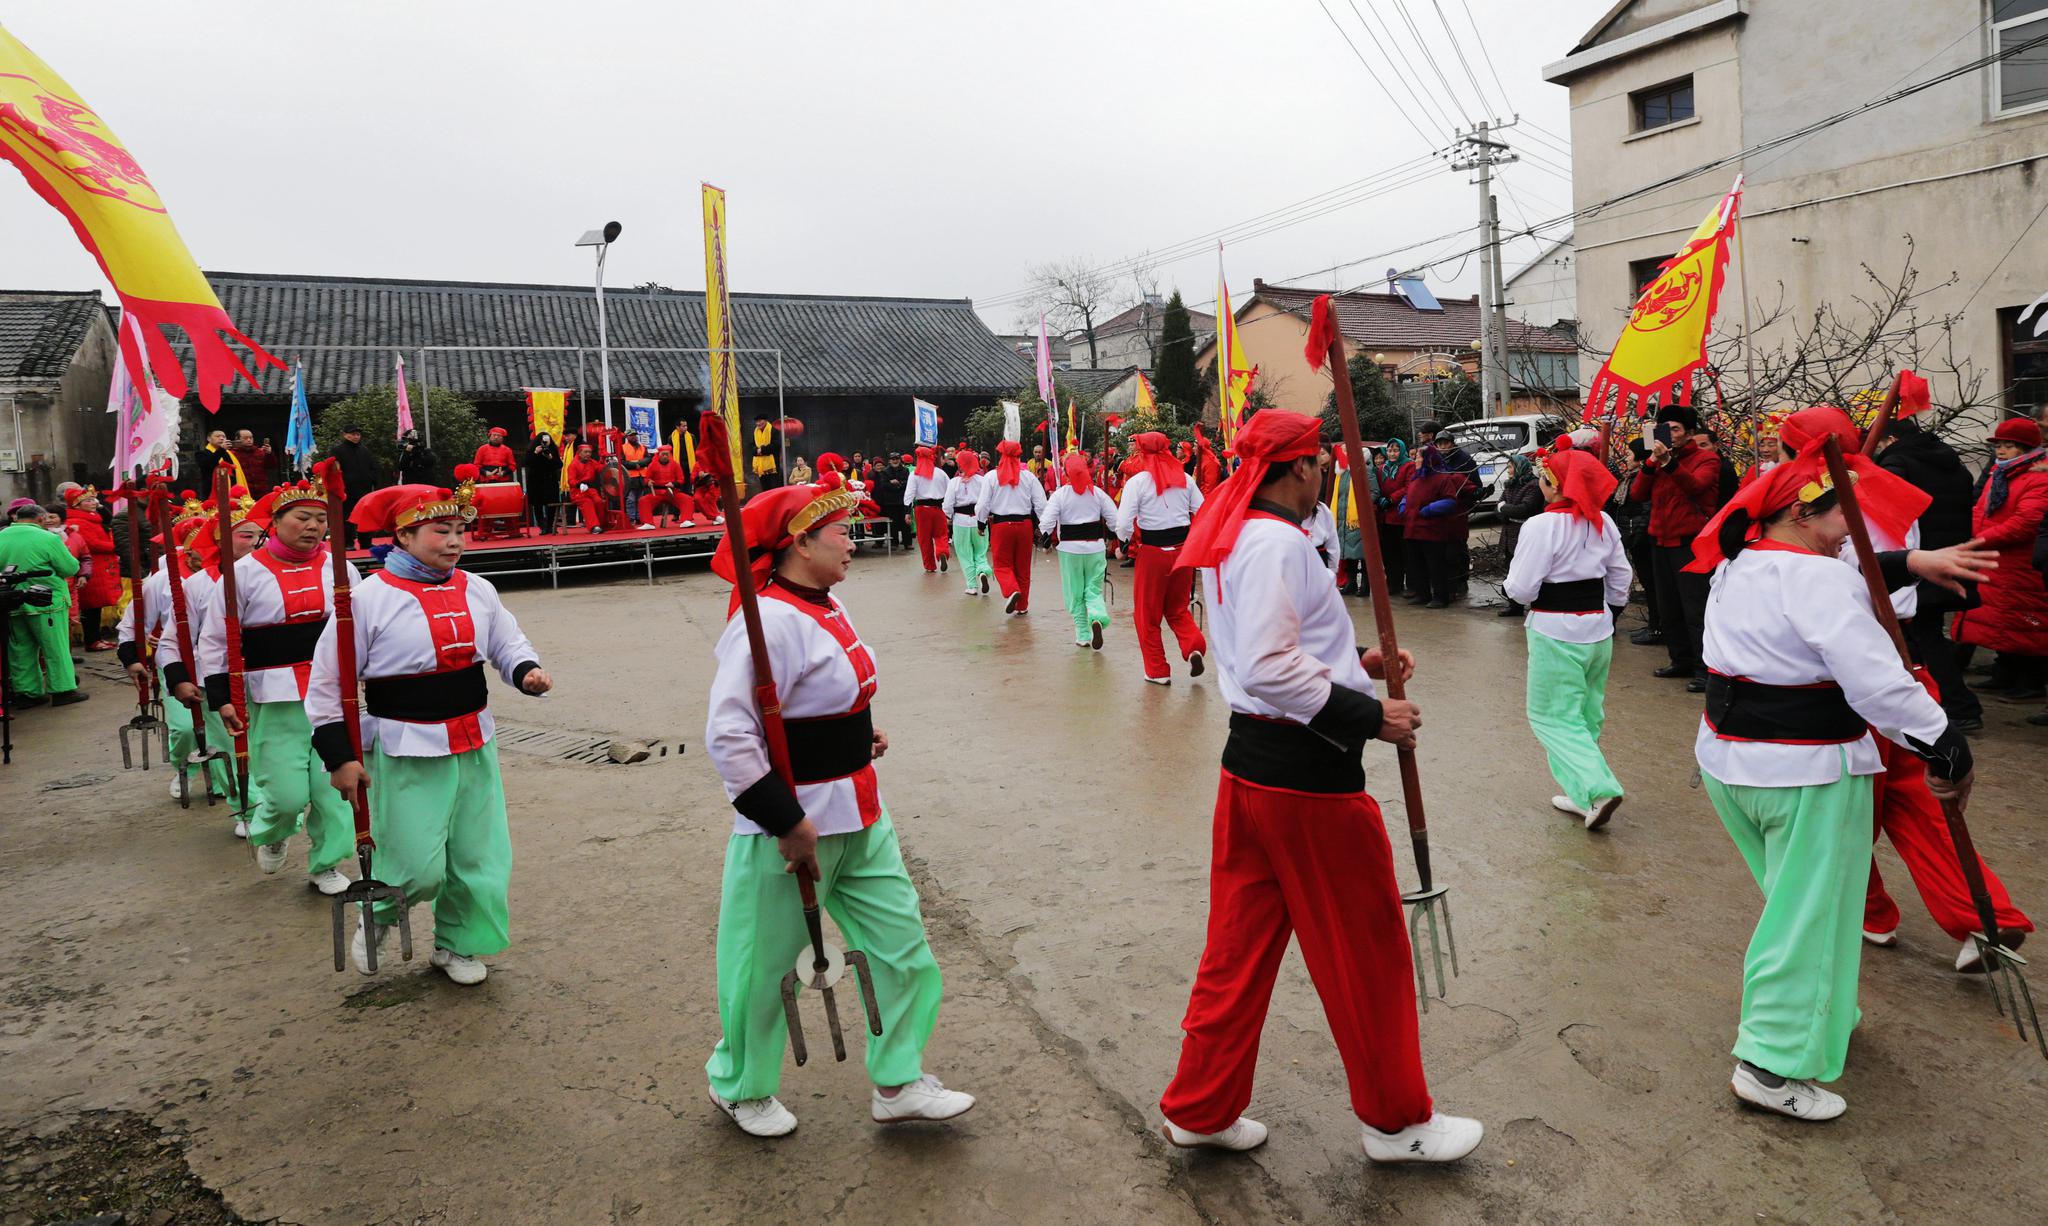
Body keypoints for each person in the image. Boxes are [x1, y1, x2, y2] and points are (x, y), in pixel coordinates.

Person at [1157, 408, 1483, 1164]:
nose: (1325, 475)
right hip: (1309, 785)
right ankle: (1397, 1122)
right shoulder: (1275, 542)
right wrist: (1370, 716)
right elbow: (1269, 666)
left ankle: (1201, 1106)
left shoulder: (1239, 531)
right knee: (1366, 952)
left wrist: (1356, 662)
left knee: (1236, 952)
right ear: (1300, 467)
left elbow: (1274, 645)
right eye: (1320, 464)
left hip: (1251, 772)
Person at [1688, 449, 1974, 1121]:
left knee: (1798, 907)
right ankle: (1772, 1065)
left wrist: (1910, 563)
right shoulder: (1817, 579)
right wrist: (1946, 745)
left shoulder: (1739, 562)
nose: (1853, 530)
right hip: (1805, 771)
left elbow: (1848, 577)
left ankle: (1822, 1009)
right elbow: (1879, 686)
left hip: (1731, 766)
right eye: (1844, 515)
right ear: (1800, 510)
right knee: (1808, 917)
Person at [702, 479, 973, 1137]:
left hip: (862, 812)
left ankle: (898, 1081)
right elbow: (730, 733)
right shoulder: (766, 623)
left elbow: (831, 693)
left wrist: (860, 734)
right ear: (801, 543)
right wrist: (784, 820)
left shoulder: (827, 603)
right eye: (841, 533)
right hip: (793, 827)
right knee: (765, 967)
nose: (853, 542)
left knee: (902, 948)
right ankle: (739, 1086)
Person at [1767, 406, 2032, 970]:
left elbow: (1836, 583)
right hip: (1904, 661)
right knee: (1918, 803)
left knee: (1842, 809)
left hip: (1850, 675)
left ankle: (1867, 912)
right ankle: (1983, 916)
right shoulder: (1879, 488)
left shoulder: (1813, 510)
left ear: (1798, 454)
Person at [314, 482, 552, 985]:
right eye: (441, 530)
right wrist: (339, 757)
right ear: (403, 536)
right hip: (407, 746)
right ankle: (380, 913)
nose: (455, 541)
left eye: (461, 530)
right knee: (416, 865)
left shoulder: (478, 588)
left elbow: (507, 642)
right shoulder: (366, 599)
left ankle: (458, 943)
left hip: (475, 741)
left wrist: (525, 671)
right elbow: (329, 683)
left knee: (479, 857)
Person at [198, 473, 356, 896]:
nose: (313, 527)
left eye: (320, 520)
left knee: (334, 790)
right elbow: (215, 639)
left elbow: (361, 627)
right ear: (276, 521)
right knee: (285, 794)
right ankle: (274, 830)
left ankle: (326, 862)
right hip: (275, 696)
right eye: (303, 518)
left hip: (333, 695)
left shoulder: (341, 567)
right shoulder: (243, 573)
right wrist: (222, 696)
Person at [1502, 446, 1631, 830]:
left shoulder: (1541, 526)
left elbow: (1522, 588)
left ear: (1554, 485)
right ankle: (1582, 794)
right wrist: (1609, 613)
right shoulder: (1603, 521)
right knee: (1586, 714)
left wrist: (1513, 590)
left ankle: (1598, 787)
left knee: (1551, 716)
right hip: (1598, 629)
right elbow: (1620, 578)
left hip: (1555, 630)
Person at [154, 491, 262, 825]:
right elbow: (172, 641)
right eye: (246, 536)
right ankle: (247, 811)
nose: (255, 543)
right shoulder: (198, 585)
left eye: (260, 536)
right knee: (230, 748)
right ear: (220, 539)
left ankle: (273, 811)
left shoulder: (273, 576)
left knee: (266, 752)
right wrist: (178, 679)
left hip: (269, 681)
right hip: (215, 681)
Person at [1871, 417, 1980, 730]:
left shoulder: (1897, 464)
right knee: (1927, 633)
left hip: (1917, 562)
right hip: (1947, 557)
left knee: (1924, 636)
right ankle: (1948, 701)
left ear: (1891, 440)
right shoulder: (1952, 464)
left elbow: (1882, 506)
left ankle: (1958, 704)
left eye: (1880, 442)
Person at [1951, 417, 2048, 704]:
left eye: (2009, 446)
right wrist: (1970, 533)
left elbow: (2026, 522)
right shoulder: (2000, 473)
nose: (2001, 451)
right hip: (1997, 559)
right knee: (2001, 622)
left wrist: (1981, 539)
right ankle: (2005, 672)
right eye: (1999, 446)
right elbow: (1980, 510)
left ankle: (2031, 681)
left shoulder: (2038, 477)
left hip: (2020, 562)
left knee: (2026, 621)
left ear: (2026, 448)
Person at [1629, 404, 1720, 690]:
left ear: (1690, 433)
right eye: (1664, 428)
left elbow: (1696, 487)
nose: (1669, 433)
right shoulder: (1657, 460)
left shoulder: (1706, 459)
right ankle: (1680, 660)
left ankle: (1705, 668)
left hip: (1690, 543)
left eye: (1676, 429)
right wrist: (1650, 464)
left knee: (1695, 608)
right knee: (1669, 607)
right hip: (1660, 542)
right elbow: (1637, 493)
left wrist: (1669, 463)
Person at [1116, 432, 1207, 684]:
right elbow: (1203, 510)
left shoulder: (1137, 482)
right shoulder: (1185, 479)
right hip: (1182, 551)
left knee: (1147, 614)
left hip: (1153, 553)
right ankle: (1194, 647)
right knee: (1177, 609)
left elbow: (1123, 522)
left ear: (1142, 452)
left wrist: (1123, 543)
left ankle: (1157, 671)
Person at [0, 497, 84, 708]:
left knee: (20, 649)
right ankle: (62, 690)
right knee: (55, 648)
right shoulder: (48, 538)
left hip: (11, 600)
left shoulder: (1, 536)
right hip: (47, 601)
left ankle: (28, 693)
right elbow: (70, 567)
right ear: (40, 519)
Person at [1040, 452, 1120, 649]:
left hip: (1070, 550)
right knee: (1093, 588)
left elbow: (1047, 521)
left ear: (1066, 472)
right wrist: (1117, 539)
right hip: (1095, 548)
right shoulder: (1098, 493)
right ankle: (1097, 616)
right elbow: (1114, 519)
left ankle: (1083, 635)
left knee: (1074, 592)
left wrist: (1046, 541)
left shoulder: (1060, 495)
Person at [1400, 433, 1478, 609]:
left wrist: (1429, 510)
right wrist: (1404, 505)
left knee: (1435, 565)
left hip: (1431, 531)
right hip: (1412, 529)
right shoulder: (1416, 478)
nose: (1416, 460)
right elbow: (1408, 494)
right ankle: (1422, 594)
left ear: (1428, 460)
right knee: (1417, 564)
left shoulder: (1442, 478)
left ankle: (1440, 597)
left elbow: (1450, 501)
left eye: (1419, 457)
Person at [978, 440, 1047, 615]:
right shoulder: (1029, 477)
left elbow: (983, 504)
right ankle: (1022, 606)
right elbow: (1041, 505)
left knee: (1002, 565)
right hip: (1025, 525)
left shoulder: (991, 477)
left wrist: (981, 522)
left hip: (1001, 525)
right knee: (1023, 568)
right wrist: (1046, 529)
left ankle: (1011, 590)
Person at [1616, 440, 1663, 646]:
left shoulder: (1643, 480)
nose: (1626, 458)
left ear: (1640, 458)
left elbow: (1644, 511)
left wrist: (1636, 537)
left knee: (1652, 585)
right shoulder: (1630, 478)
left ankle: (1656, 627)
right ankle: (1654, 625)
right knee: (1649, 584)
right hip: (1634, 537)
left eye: (1630, 454)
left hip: (1642, 540)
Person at [62, 487, 120, 650]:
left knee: (95, 605)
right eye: (88, 500)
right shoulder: (78, 521)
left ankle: (95, 638)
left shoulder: (92, 518)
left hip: (99, 567)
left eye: (93, 499)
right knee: (90, 605)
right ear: (76, 505)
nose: (93, 503)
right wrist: (116, 547)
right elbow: (92, 543)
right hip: (92, 567)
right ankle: (92, 640)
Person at [1494, 454, 1545, 618]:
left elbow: (1525, 509)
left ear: (1519, 468)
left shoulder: (1534, 485)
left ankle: (1538, 604)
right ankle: (1514, 605)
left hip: (1526, 535)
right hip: (1509, 535)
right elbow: (1498, 507)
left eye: (1510, 467)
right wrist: (1505, 512)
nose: (1508, 471)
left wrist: (1504, 509)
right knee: (1512, 570)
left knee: (1530, 570)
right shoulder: (1510, 485)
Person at [944, 450, 992, 596]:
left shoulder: (954, 482)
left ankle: (972, 586)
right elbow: (987, 501)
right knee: (981, 551)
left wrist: (948, 516)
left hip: (960, 521)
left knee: (964, 553)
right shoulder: (982, 480)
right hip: (979, 520)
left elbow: (948, 504)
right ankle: (982, 571)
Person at [330, 424, 383, 549]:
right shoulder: (337, 450)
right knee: (347, 517)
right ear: (345, 435)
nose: (356, 437)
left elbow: (372, 467)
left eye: (358, 434)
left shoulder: (364, 450)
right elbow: (334, 469)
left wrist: (372, 480)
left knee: (365, 516)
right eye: (353, 434)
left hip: (364, 489)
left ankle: (366, 542)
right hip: (346, 490)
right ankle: (348, 542)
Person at [904, 446, 952, 574]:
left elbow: (909, 494)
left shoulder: (914, 474)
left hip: (922, 509)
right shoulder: (940, 473)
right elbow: (950, 490)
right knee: (941, 534)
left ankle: (930, 565)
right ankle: (942, 552)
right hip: (939, 508)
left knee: (924, 538)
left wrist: (907, 512)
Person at [639, 444, 691, 527]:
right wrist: (648, 482)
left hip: (672, 492)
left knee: (687, 499)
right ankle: (648, 523)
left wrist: (673, 484)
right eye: (663, 454)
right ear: (659, 455)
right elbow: (646, 479)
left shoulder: (675, 465)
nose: (665, 456)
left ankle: (686, 520)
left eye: (667, 454)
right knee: (643, 500)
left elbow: (681, 480)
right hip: (657, 493)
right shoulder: (652, 465)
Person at [523, 432, 563, 533]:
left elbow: (559, 464)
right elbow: (527, 463)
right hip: (536, 480)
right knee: (537, 504)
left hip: (550, 479)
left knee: (551, 503)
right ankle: (542, 526)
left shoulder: (553, 449)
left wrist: (550, 458)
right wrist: (535, 453)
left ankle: (550, 525)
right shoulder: (532, 449)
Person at [566, 443, 607, 533]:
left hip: (590, 490)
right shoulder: (573, 465)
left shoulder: (592, 462)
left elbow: (601, 468)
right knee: (587, 503)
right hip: (577, 492)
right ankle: (594, 526)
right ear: (579, 453)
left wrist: (603, 459)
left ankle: (602, 523)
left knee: (599, 502)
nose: (588, 454)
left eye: (589, 452)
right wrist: (579, 484)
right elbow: (571, 480)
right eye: (586, 452)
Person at [875, 454, 912, 550]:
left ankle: (907, 542)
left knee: (906, 522)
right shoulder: (885, 471)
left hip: (903, 500)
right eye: (893, 459)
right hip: (890, 501)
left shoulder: (905, 470)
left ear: (900, 460)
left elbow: (908, 483)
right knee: (893, 523)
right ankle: (894, 543)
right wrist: (893, 484)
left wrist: (898, 483)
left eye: (896, 459)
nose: (895, 461)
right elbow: (884, 485)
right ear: (889, 461)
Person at [619, 431, 651, 525]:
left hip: (641, 476)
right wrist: (634, 465)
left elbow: (648, 459)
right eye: (631, 436)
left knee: (640, 499)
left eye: (635, 435)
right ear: (627, 437)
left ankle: (639, 517)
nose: (634, 437)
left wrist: (638, 463)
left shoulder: (643, 447)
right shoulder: (622, 448)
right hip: (630, 477)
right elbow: (622, 462)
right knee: (631, 499)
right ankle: (631, 518)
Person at [195, 429, 241, 493]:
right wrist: (221, 449)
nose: (221, 438)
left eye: (224, 437)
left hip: (232, 488)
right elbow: (208, 464)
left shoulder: (229, 453)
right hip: (213, 489)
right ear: (209, 439)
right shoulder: (201, 453)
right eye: (217, 436)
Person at [750, 415, 783, 491]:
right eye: (756, 422)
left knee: (773, 488)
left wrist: (762, 450)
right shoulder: (755, 432)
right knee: (764, 488)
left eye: (760, 421)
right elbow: (752, 446)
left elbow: (776, 446)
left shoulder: (773, 431)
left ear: (765, 421)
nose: (758, 423)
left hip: (772, 466)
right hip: (761, 466)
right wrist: (756, 450)